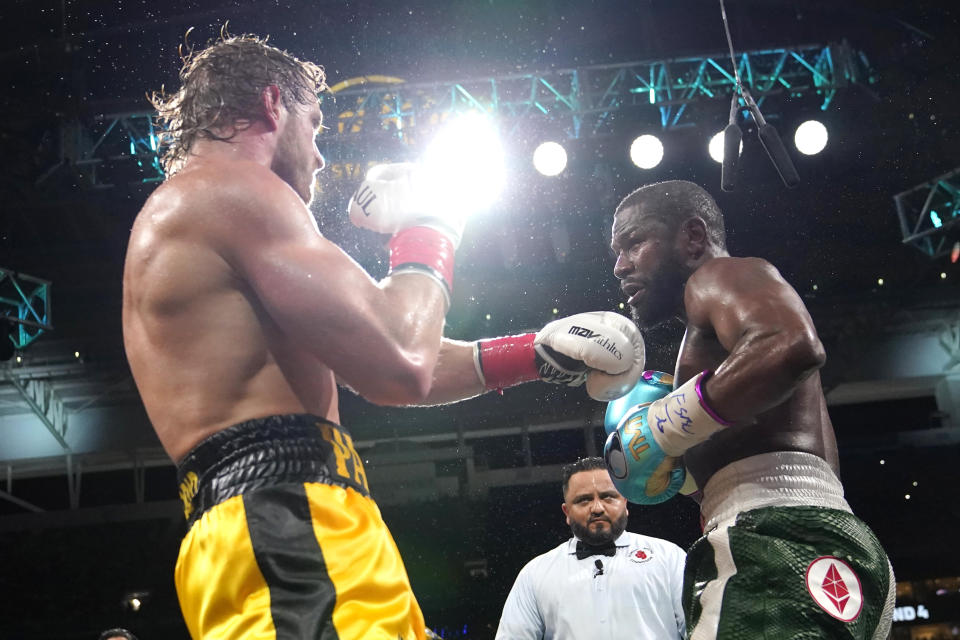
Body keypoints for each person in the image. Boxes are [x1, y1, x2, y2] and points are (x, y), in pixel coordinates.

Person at [122, 32, 645, 640]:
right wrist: (431, 224)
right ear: (272, 105)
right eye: (314, 125)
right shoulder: (233, 190)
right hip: (289, 522)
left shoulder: (198, 211)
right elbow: (402, 362)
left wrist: (536, 353)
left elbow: (380, 356)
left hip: (277, 523)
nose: (319, 157)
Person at [603, 180, 895, 639]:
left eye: (633, 243)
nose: (620, 266)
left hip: (776, 541)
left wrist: (661, 429)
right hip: (818, 540)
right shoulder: (713, 338)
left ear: (693, 237)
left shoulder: (717, 276)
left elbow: (791, 345)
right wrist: (675, 468)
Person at [494, 457, 686, 640]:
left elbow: (701, 629)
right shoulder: (535, 574)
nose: (597, 508)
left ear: (625, 503)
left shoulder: (669, 557)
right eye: (583, 500)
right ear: (567, 512)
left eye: (608, 497)